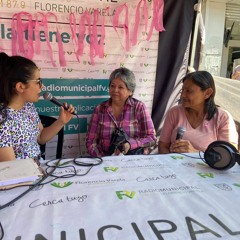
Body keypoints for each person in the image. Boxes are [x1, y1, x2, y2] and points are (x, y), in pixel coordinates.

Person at [0, 52, 75, 162]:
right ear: (20, 87)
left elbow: (40, 138)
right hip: (22, 177)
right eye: (38, 81)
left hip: (39, 168)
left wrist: (61, 121)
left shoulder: (28, 107)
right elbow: (11, 169)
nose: (42, 86)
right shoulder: (3, 120)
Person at [158, 70, 238, 154]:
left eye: (189, 91)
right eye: (182, 90)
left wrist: (195, 152)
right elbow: (163, 146)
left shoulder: (222, 117)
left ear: (207, 93)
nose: (182, 95)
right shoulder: (175, 112)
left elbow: (228, 156)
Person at [86, 67, 156, 157]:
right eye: (112, 86)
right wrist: (102, 159)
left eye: (120, 87)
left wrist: (130, 144)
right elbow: (91, 141)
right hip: (105, 161)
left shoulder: (139, 107)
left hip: (134, 161)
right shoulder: (100, 109)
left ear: (130, 91)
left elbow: (151, 138)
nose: (115, 90)